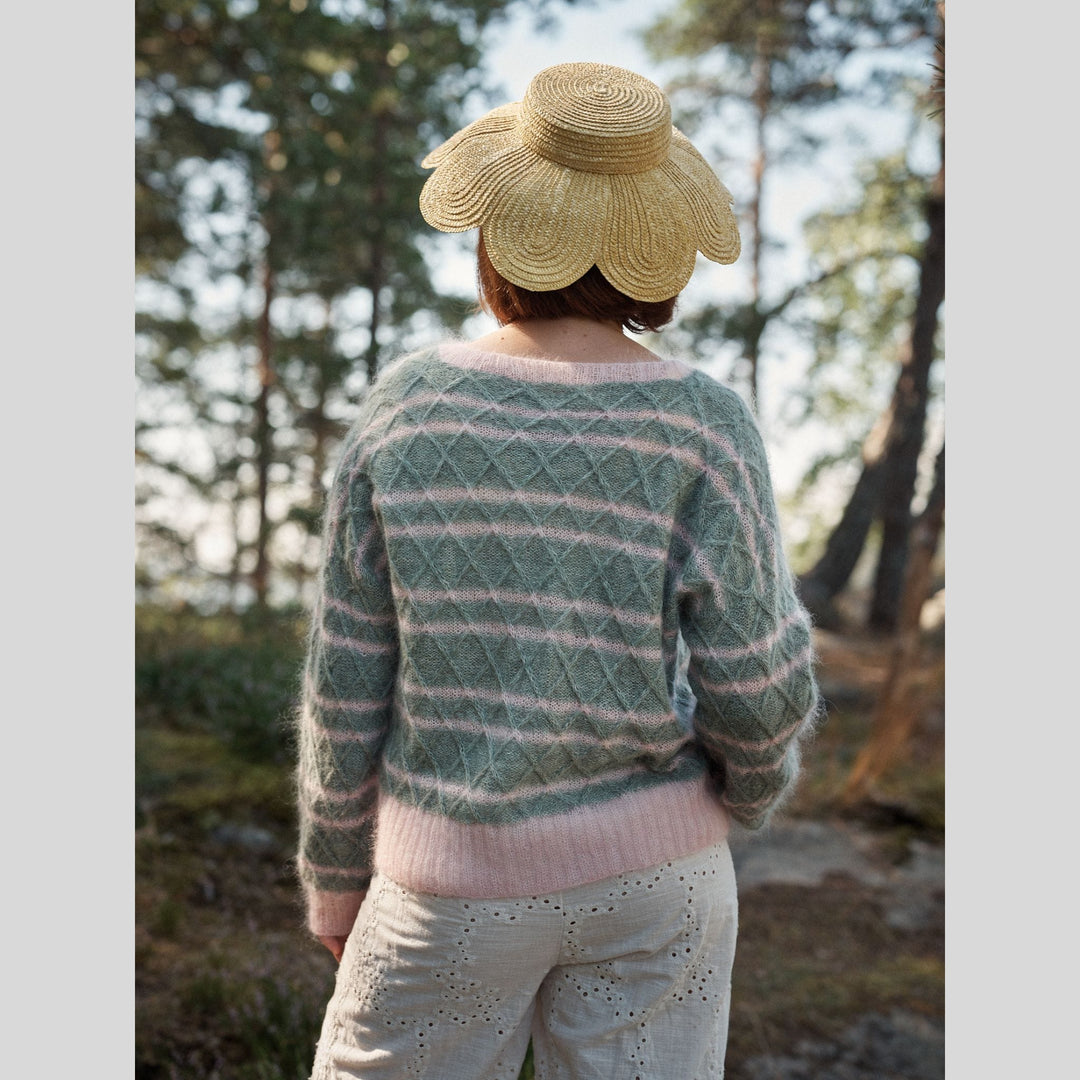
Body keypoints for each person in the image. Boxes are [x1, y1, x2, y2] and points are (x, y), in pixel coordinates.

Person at [295, 61, 820, 1080]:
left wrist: (334, 874)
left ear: (501, 229)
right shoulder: (704, 422)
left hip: (447, 885)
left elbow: (346, 680)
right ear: (652, 242)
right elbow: (756, 682)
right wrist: (739, 796)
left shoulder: (407, 410)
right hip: (660, 880)